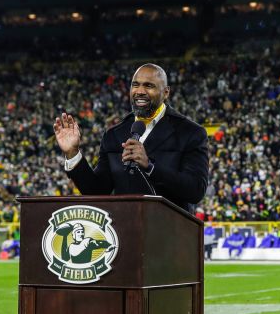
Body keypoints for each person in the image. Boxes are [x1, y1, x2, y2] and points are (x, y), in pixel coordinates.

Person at [54, 63, 210, 214]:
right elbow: (97, 191)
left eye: (149, 86)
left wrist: (150, 167)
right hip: (126, 231)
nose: (140, 91)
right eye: (135, 85)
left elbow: (196, 190)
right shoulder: (114, 134)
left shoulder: (190, 132)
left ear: (166, 92)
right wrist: (73, 154)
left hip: (170, 233)